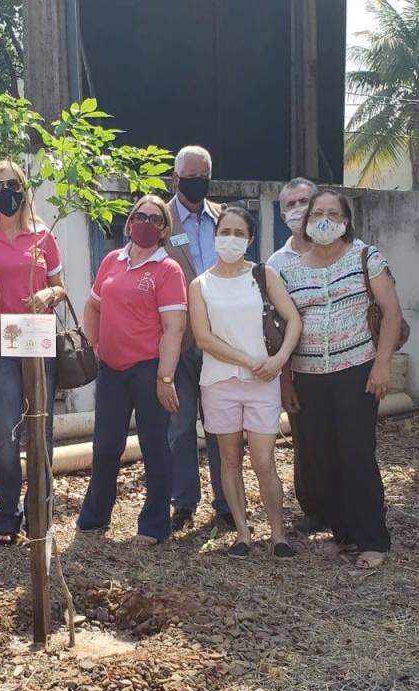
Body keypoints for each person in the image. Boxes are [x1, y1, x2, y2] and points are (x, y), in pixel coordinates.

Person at [280, 190, 403, 569]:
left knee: (356, 453)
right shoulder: (290, 271)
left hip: (356, 371)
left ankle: (372, 539)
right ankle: (344, 532)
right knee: (321, 456)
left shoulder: (366, 258)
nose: (324, 220)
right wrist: (286, 382)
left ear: (346, 221)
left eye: (333, 214)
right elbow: (283, 329)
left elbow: (391, 312)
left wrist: (382, 365)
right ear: (306, 221)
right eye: (317, 213)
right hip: (308, 377)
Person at [189, 206, 302, 559]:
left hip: (263, 382)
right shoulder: (200, 285)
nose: (231, 239)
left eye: (239, 233)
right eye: (225, 232)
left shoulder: (264, 275)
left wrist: (278, 360)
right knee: (229, 460)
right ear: (215, 236)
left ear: (250, 240)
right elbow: (203, 338)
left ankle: (278, 534)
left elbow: (293, 320)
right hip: (219, 382)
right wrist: (248, 361)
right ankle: (242, 533)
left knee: (264, 461)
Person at [78, 195, 188, 545]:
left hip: (148, 369)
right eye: (140, 216)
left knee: (154, 447)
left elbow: (174, 329)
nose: (146, 223)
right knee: (105, 447)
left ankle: (154, 525)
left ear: (165, 230)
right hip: (111, 369)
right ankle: (95, 517)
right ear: (128, 223)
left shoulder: (168, 270)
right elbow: (93, 306)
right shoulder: (112, 260)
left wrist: (165, 378)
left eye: (155, 219)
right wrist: (92, 348)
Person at [0, 160, 66, 546]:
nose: (6, 191)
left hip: (36, 332)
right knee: (7, 429)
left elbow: (61, 286)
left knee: (40, 427)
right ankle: (7, 512)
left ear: (25, 191)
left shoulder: (43, 235)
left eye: (14, 184)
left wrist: (49, 293)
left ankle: (39, 510)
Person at [162, 145, 230, 531]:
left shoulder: (223, 218)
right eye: (191, 176)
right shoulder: (160, 219)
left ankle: (226, 500)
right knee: (181, 422)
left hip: (220, 339)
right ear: (176, 179)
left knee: (221, 423)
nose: (198, 183)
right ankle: (184, 501)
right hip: (181, 339)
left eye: (204, 176)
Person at [267, 177, 326, 534]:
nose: (298, 210)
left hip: (345, 364)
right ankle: (314, 509)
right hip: (300, 367)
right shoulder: (276, 263)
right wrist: (284, 380)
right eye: (290, 205)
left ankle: (352, 508)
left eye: (304, 201)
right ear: (282, 214)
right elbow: (277, 325)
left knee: (346, 439)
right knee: (306, 441)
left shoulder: (349, 251)